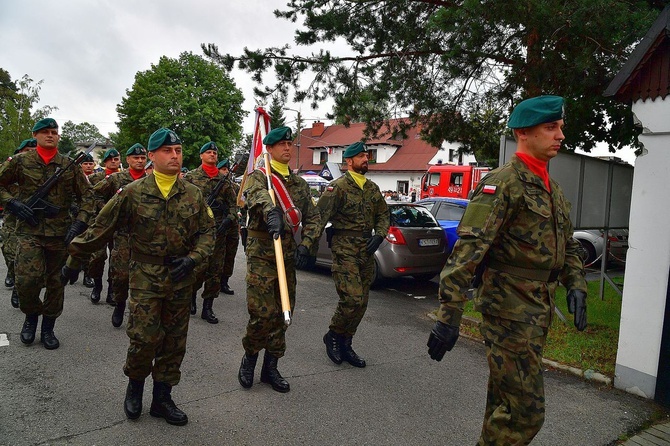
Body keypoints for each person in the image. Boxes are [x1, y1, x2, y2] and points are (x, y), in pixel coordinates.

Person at [426, 95, 587, 445]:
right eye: (551, 127)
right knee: (526, 413)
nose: (560, 135)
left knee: (503, 402)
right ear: (523, 133)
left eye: (560, 127)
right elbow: (467, 252)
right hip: (508, 311)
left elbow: (568, 244)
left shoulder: (551, 188)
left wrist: (576, 283)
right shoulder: (503, 183)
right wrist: (448, 315)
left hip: (536, 309)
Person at [62, 128, 214, 426]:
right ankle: (135, 388)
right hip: (145, 276)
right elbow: (100, 227)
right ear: (152, 156)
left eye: (179, 151)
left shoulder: (194, 193)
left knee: (174, 341)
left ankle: (162, 398)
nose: (175, 156)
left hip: (181, 277)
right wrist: (73, 261)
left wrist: (194, 259)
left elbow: (208, 233)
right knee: (144, 339)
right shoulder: (132, 192)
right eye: (168, 151)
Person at [238, 126, 320, 393]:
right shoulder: (260, 177)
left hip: (286, 254)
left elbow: (313, 218)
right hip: (262, 252)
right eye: (282, 144)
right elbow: (256, 197)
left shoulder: (299, 184)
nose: (287, 148)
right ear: (269, 149)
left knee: (285, 313)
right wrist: (270, 210)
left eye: (290, 144)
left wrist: (307, 244)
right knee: (262, 313)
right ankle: (250, 357)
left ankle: (271, 367)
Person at [0, 118, 93, 349]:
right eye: (45, 132)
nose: (50, 135)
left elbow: (88, 198)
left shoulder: (69, 165)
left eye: (54, 132)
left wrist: (78, 225)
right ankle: (31, 317)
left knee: (56, 283)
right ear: (35, 135)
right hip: (29, 232)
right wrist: (12, 204)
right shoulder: (20, 162)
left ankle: (48, 327)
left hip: (60, 234)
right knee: (27, 281)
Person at [316, 141, 389, 368]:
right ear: (349, 162)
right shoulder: (337, 187)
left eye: (367, 155)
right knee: (352, 298)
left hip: (366, 250)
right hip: (344, 249)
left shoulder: (372, 189)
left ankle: (346, 343)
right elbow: (319, 217)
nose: (366, 159)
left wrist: (379, 236)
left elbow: (384, 215)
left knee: (362, 302)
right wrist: (306, 248)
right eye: (361, 156)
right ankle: (333, 335)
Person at [91, 143, 147, 327]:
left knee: (144, 278)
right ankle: (119, 304)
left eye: (143, 158)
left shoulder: (152, 179)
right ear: (128, 160)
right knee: (121, 275)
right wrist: (108, 211)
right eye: (136, 158)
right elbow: (95, 194)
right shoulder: (116, 178)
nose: (140, 161)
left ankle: (138, 313)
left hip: (145, 236)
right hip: (122, 234)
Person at [183, 142, 237, 323]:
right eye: (209, 152)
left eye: (215, 152)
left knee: (215, 271)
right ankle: (191, 297)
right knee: (197, 268)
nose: (213, 154)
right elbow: (182, 202)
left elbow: (232, 204)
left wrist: (229, 219)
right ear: (201, 156)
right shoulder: (191, 177)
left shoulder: (225, 180)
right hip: (198, 231)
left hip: (220, 231)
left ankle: (208, 307)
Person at [1, 138, 38, 307]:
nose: (31, 152)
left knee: (25, 260)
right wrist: (11, 202)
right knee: (10, 254)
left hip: (32, 222)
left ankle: (18, 287)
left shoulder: (41, 171)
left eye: (34, 149)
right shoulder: (10, 169)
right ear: (19, 152)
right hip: (11, 219)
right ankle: (12, 271)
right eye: (28, 149)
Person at [87, 147, 122, 304]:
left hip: (118, 225)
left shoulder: (123, 177)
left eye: (116, 159)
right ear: (105, 162)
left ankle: (111, 291)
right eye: (111, 159)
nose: (114, 162)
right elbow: (91, 196)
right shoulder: (96, 178)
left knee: (116, 259)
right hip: (100, 222)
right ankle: (97, 285)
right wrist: (105, 209)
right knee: (97, 257)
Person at [216, 158, 240, 295]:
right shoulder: (215, 186)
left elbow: (240, 203)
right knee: (216, 256)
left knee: (230, 254)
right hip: (218, 224)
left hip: (231, 224)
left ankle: (224, 281)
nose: (226, 172)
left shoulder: (234, 187)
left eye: (227, 170)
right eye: (223, 170)